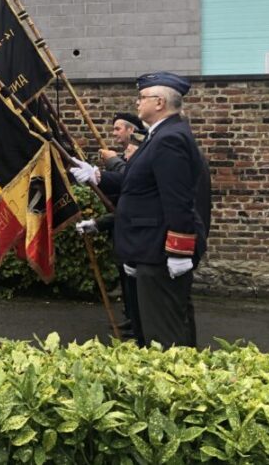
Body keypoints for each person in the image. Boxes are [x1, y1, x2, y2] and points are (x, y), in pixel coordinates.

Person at [70, 72, 211, 347]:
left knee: (165, 335)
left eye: (142, 97)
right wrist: (97, 176)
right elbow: (137, 183)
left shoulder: (170, 139)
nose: (137, 103)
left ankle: (173, 386)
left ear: (159, 102)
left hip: (160, 254)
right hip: (148, 249)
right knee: (152, 330)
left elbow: (178, 200)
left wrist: (179, 252)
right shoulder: (159, 136)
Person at [76, 111, 148, 344]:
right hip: (123, 233)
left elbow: (128, 182)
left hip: (136, 237)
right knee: (128, 286)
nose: (115, 133)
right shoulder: (129, 160)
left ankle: (140, 328)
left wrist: (102, 171)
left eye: (119, 129)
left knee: (137, 289)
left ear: (131, 131)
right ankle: (134, 321)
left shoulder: (140, 159)